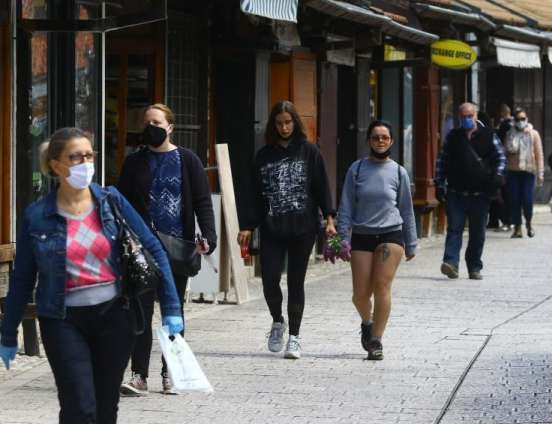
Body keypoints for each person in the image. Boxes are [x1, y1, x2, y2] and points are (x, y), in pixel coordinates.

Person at [0, 128, 181, 424]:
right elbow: (22, 278)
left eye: (89, 155)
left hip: (113, 315)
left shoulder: (111, 202)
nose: (86, 164)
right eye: (77, 158)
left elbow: (152, 248)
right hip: (63, 320)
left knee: (105, 403)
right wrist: (8, 332)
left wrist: (171, 306)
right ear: (56, 166)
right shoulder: (37, 216)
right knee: (78, 406)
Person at [117, 103, 216, 396]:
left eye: (157, 122)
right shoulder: (134, 163)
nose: (152, 127)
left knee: (173, 310)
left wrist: (209, 236)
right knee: (141, 310)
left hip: (177, 248)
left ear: (170, 127)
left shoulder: (188, 160)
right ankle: (139, 375)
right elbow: (120, 204)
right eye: (147, 122)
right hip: (141, 248)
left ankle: (170, 372)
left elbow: (202, 201)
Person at [238, 100, 336, 359]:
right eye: (280, 123)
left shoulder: (309, 152)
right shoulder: (263, 156)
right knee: (269, 279)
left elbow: (321, 187)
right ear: (273, 125)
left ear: (295, 122)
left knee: (296, 281)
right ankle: (277, 321)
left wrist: (329, 217)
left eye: (288, 122)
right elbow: (254, 195)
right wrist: (247, 225)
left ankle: (294, 336)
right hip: (272, 227)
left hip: (303, 228)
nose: (284, 127)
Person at [337, 120, 417, 361]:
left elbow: (406, 209)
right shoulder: (357, 169)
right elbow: (346, 205)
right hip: (362, 234)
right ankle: (367, 322)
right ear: (369, 141)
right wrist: (343, 237)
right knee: (360, 294)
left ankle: (376, 340)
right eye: (375, 137)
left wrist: (411, 242)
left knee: (382, 286)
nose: (380, 141)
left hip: (391, 234)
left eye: (384, 137)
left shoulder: (399, 172)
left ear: (391, 141)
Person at [435, 102, 506, 281]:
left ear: (476, 116)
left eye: (470, 116)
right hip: (456, 192)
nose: (467, 119)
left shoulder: (489, 135)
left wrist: (497, 175)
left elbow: (501, 158)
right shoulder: (453, 136)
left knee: (477, 233)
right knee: (454, 229)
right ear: (460, 117)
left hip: (480, 195)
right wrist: (439, 183)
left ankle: (474, 267)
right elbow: (442, 160)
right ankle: (450, 263)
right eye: (463, 116)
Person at [504, 107, 544, 238]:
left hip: (529, 171)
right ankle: (517, 228)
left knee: (527, 200)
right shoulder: (509, 134)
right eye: (518, 119)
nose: (521, 121)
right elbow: (505, 152)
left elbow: (539, 154)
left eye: (523, 118)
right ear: (514, 120)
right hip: (513, 172)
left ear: (526, 119)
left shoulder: (533, 134)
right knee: (514, 200)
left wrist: (540, 173)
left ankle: (529, 222)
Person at [489, 103, 514, 232]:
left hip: (504, 166)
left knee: (502, 195)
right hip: (510, 166)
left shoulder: (505, 125)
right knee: (506, 194)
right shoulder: (513, 125)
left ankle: (506, 221)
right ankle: (509, 221)